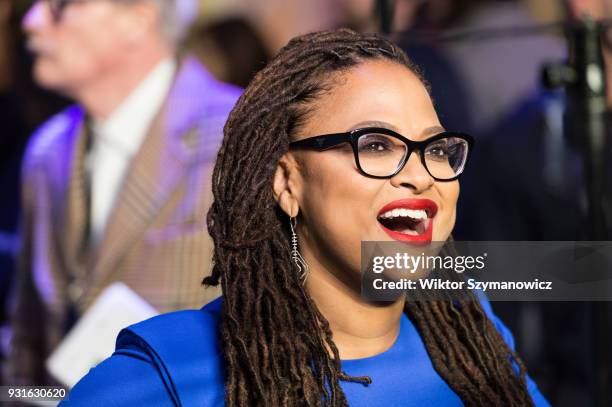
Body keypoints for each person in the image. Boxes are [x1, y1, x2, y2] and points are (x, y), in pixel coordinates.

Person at [61, 29, 549, 406]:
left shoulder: (473, 333)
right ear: (287, 182)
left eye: (435, 149)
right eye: (377, 145)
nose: (421, 175)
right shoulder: (172, 373)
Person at [8, 0, 240, 386]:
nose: (31, 22)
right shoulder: (46, 153)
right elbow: (27, 343)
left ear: (139, 18)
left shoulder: (239, 136)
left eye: (60, 6)